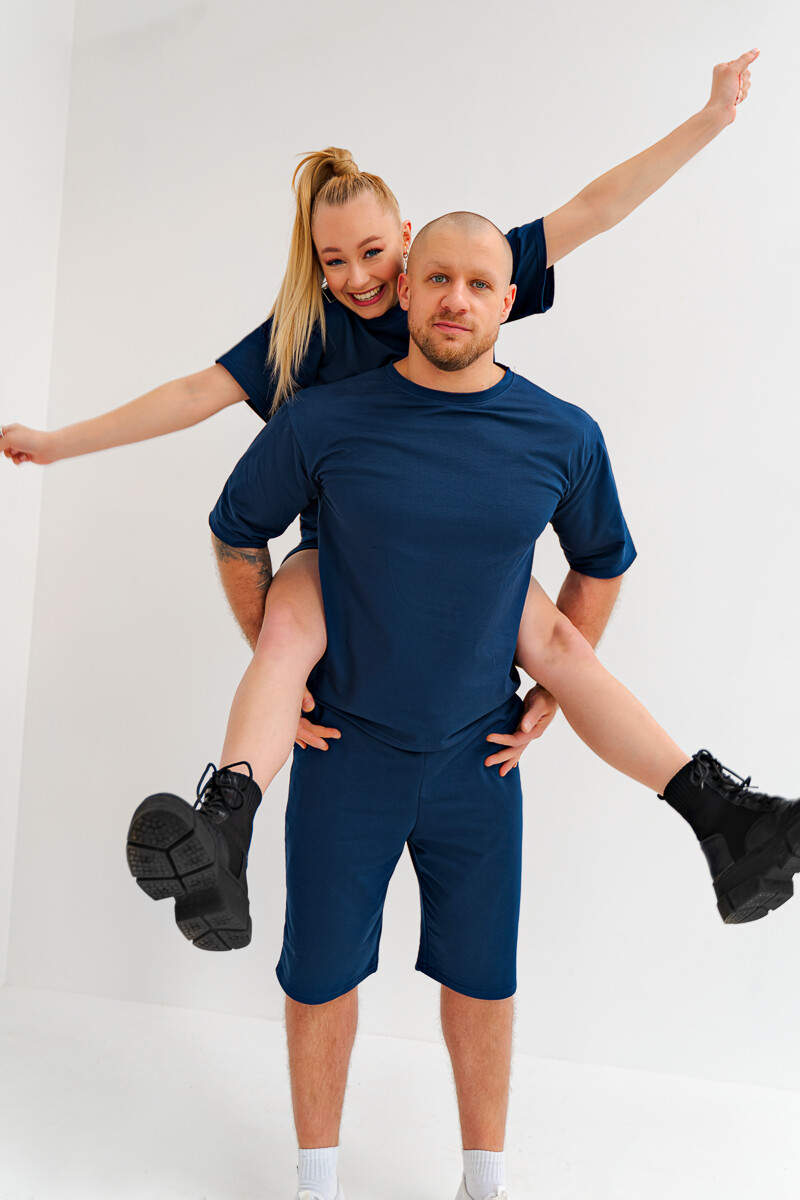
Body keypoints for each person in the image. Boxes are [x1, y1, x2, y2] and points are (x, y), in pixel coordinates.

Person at [129, 210, 799, 1200]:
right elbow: (237, 532)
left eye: (479, 283)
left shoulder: (560, 434)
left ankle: (484, 1181)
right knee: (319, 977)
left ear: (508, 300)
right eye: (437, 278)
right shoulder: (324, 419)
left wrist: (547, 698)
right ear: (404, 289)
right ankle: (316, 1180)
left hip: (475, 760)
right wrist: (279, 668)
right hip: (345, 752)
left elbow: (601, 563)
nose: (455, 298)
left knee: (482, 979)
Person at [1, 52, 759, 781]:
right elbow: (193, 394)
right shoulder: (308, 331)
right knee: (287, 636)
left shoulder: (451, 281)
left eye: (372, 253)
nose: (358, 278)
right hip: (350, 552)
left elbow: (597, 208)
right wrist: (58, 443)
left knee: (561, 646)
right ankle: (226, 809)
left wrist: (711, 117)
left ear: (406, 241)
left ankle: (712, 803)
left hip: (460, 540)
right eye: (333, 261)